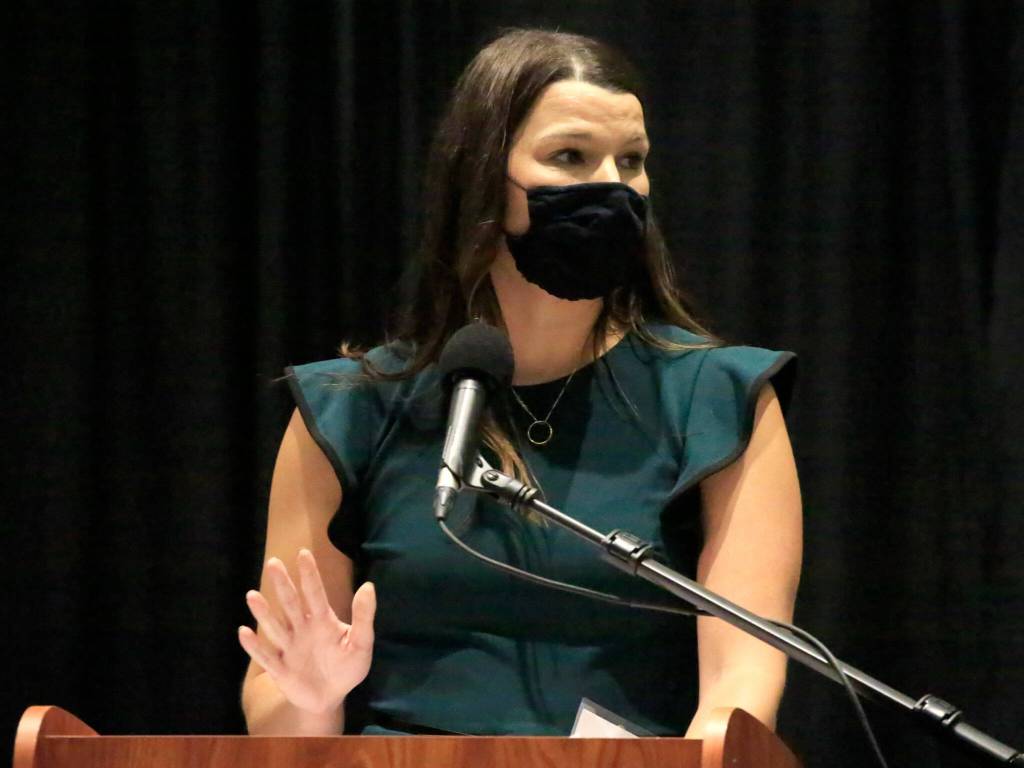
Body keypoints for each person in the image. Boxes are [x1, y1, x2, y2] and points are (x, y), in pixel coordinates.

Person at [238, 27, 802, 739]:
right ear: (480, 177)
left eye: (632, 161)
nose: (613, 186)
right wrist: (313, 696)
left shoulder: (720, 400)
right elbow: (277, 715)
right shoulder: (347, 409)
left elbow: (740, 693)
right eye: (570, 157)